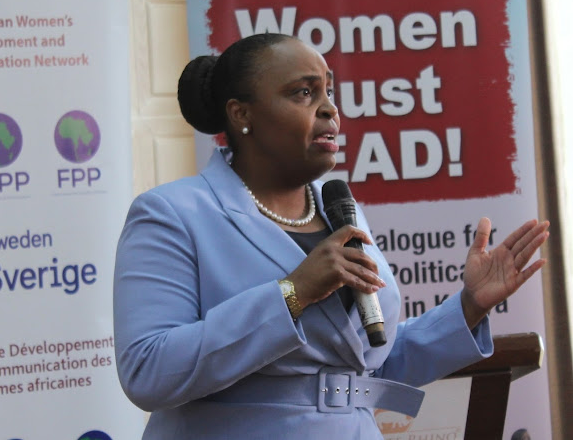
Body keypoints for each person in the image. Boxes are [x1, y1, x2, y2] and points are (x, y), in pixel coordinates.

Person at [113, 33, 549, 439]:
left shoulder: (339, 207)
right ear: (241, 113)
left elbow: (366, 364)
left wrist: (469, 307)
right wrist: (293, 293)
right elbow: (148, 370)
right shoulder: (173, 213)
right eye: (303, 93)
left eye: (328, 92)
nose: (329, 109)